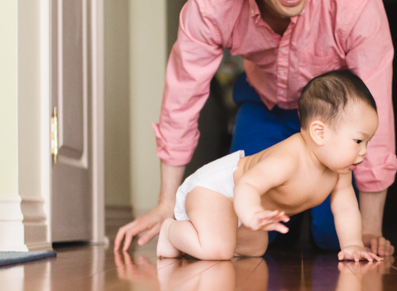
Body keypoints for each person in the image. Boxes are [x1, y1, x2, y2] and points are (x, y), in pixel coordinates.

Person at [114, 0, 397, 257]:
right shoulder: (212, 3)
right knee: (251, 235)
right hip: (263, 104)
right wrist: (167, 202)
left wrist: (371, 228)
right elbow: (182, 98)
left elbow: (373, 109)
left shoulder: (356, 1)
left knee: (336, 238)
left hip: (333, 118)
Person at [156, 70, 382, 262]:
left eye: (367, 142)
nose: (364, 151)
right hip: (218, 189)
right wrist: (251, 212)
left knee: (255, 249)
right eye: (358, 141)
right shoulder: (288, 159)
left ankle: (216, 233)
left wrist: (353, 245)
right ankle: (170, 231)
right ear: (319, 132)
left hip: (244, 204)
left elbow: (345, 209)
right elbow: (248, 184)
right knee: (218, 250)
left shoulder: (339, 172)